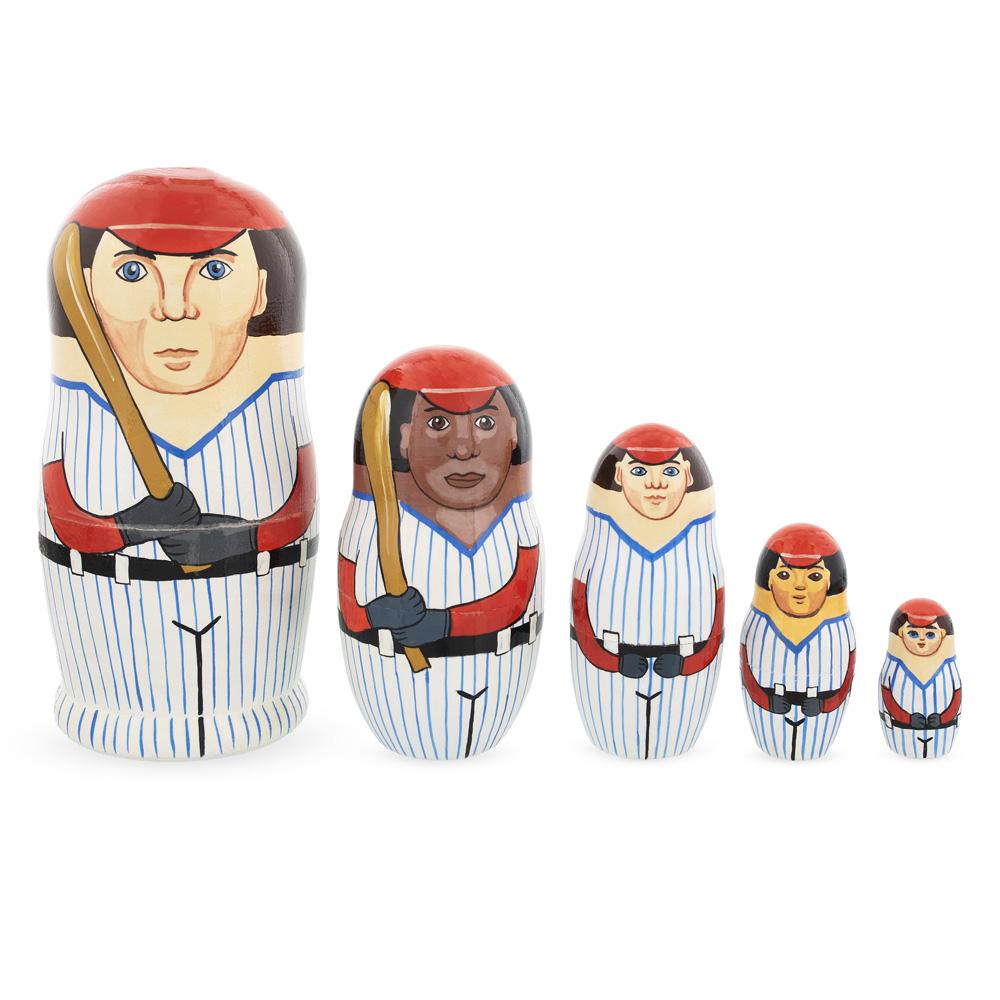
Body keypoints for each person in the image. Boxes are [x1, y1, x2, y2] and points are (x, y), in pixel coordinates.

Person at [40, 168, 317, 759]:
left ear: (263, 291)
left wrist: (232, 540)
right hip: (115, 640)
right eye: (132, 272)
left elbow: (295, 511)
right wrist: (132, 525)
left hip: (251, 643)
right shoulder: (80, 415)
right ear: (87, 289)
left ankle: (261, 701)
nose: (173, 308)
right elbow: (66, 520)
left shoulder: (274, 414)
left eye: (213, 272)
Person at [338, 347, 542, 759]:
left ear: (513, 431)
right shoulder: (369, 522)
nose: (463, 448)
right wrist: (374, 614)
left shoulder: (517, 523)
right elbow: (351, 609)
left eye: (485, 423)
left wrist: (445, 623)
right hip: (398, 703)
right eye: (437, 423)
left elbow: (516, 599)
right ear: (403, 437)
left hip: (492, 680)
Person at [570, 424, 724, 759]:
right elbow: (582, 628)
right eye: (639, 472)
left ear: (688, 475)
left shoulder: (701, 551)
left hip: (681, 676)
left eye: (670, 472)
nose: (656, 484)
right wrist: (613, 661)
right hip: (610, 679)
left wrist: (685, 666)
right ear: (619, 476)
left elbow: (713, 633)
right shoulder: (599, 547)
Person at [740, 523, 855, 761]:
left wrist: (822, 706)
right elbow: (750, 677)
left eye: (814, 576)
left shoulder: (837, 630)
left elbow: (844, 682)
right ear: (769, 580)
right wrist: (768, 701)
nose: (799, 586)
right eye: (785, 575)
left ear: (830, 583)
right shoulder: (759, 626)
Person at [879, 598, 961, 758]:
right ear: (900, 634)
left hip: (941, 733)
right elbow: (888, 698)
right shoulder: (893, 669)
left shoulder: (947, 669)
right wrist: (908, 719)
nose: (921, 639)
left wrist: (942, 718)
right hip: (902, 732)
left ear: (943, 635)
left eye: (930, 634)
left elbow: (955, 698)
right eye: (913, 634)